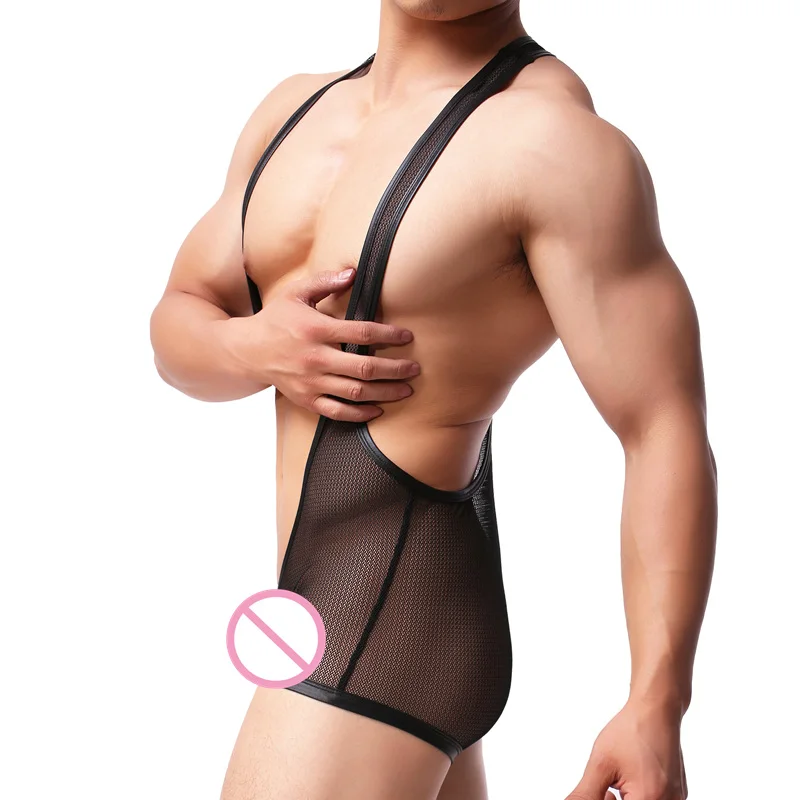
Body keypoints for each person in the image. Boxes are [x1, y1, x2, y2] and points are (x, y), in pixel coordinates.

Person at [149, 1, 717, 798]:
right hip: (343, 615)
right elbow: (178, 323)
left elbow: (662, 426)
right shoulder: (293, 111)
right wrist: (255, 346)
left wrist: (657, 702)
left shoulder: (552, 144)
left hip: (385, 625)